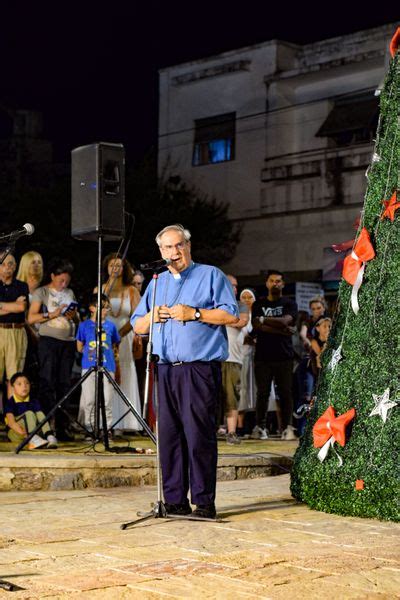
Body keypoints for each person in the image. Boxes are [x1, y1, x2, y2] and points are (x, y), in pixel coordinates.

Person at [131, 223, 238, 519]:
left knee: (198, 434)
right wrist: (151, 316)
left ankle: (204, 502)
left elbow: (231, 315)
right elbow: (137, 325)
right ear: (160, 252)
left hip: (198, 369)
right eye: (167, 247)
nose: (173, 252)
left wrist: (196, 313)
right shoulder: (157, 282)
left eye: (179, 245)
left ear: (188, 246)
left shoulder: (210, 275)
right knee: (169, 436)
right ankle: (175, 500)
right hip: (164, 369)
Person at [28, 258, 78, 442]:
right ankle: (47, 424)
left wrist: (74, 316)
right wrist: (52, 314)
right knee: (47, 381)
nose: (63, 284)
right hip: (49, 341)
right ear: (52, 276)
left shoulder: (70, 292)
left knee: (64, 383)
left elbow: (75, 318)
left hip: (68, 342)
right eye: (60, 280)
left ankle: (64, 427)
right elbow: (31, 318)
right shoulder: (42, 292)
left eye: (66, 281)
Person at [251, 270, 298, 441]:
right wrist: (282, 329)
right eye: (272, 281)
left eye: (278, 281)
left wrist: (264, 321)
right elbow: (256, 325)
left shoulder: (289, 303)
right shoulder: (258, 304)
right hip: (263, 356)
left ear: (283, 284)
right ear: (267, 283)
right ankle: (260, 427)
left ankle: (287, 427)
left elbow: (287, 321)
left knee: (285, 393)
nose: (275, 284)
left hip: (284, 356)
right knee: (262, 393)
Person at [100, 254, 141, 434]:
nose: (115, 269)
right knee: (105, 375)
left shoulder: (131, 290)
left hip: (124, 337)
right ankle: (105, 422)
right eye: (112, 265)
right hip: (104, 338)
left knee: (123, 375)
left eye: (119, 266)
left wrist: (119, 335)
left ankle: (125, 423)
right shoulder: (101, 289)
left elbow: (137, 316)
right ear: (106, 268)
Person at [76, 293, 120, 435]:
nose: (105, 310)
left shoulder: (111, 326)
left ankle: (106, 429)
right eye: (102, 307)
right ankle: (91, 429)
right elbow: (79, 346)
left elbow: (115, 345)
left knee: (107, 400)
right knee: (89, 400)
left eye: (107, 308)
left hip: (108, 367)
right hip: (89, 367)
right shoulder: (84, 326)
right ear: (92, 308)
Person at [220, 274, 248, 445]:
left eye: (236, 285)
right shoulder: (212, 303)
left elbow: (241, 321)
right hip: (213, 357)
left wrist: (217, 319)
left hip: (232, 357)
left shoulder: (240, 305)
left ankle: (231, 432)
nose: (235, 289)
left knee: (231, 396)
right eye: (232, 285)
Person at [0, 253, 29, 398]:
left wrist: (2, 306)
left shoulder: (21, 286)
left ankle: (12, 415)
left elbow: (21, 308)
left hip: (16, 331)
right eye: (3, 264)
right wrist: (13, 305)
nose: (7, 267)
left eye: (10, 264)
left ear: (16, 266)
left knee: (14, 377)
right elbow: (16, 306)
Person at [4, 371, 58, 449]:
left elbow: (41, 418)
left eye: (27, 383)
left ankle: (50, 437)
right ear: (13, 387)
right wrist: (26, 435)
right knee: (29, 413)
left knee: (39, 413)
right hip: (17, 433)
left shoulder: (34, 401)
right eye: (19, 384)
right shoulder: (10, 402)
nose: (24, 386)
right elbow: (11, 423)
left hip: (32, 433)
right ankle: (33, 439)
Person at [237, 288, 257, 437]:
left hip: (255, 357)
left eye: (249, 297)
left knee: (254, 390)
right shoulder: (238, 315)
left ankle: (254, 424)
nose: (246, 300)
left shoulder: (256, 316)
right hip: (241, 355)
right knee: (242, 389)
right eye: (243, 297)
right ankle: (240, 425)